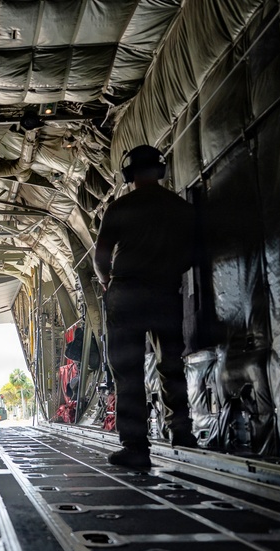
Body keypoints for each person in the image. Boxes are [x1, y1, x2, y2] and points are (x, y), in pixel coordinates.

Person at [93, 144, 197, 469]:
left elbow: (100, 257)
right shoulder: (179, 206)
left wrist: (108, 281)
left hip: (126, 295)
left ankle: (136, 447)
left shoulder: (120, 207)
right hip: (165, 293)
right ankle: (181, 432)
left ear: (128, 174)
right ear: (161, 170)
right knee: (171, 366)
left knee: (128, 374)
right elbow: (194, 252)